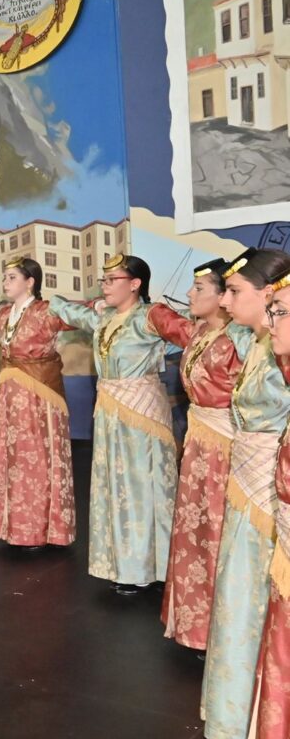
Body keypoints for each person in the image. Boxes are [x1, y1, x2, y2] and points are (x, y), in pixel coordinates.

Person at [212, 262, 290, 739]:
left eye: (234, 290)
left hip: (268, 486)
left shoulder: (274, 349)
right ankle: (238, 712)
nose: (223, 298)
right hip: (255, 478)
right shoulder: (261, 346)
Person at [47, 254, 177, 594]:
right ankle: (124, 563)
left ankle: (153, 566)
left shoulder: (151, 316)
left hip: (141, 413)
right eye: (102, 280)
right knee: (115, 486)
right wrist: (64, 302)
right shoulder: (104, 317)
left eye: (111, 280)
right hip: (109, 412)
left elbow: (196, 336)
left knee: (142, 486)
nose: (104, 286)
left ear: (135, 284)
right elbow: (68, 311)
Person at [146, 259, 241, 649]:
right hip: (200, 442)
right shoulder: (200, 331)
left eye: (199, 288)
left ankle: (227, 630)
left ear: (224, 296)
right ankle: (196, 623)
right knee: (196, 528)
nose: (189, 294)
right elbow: (167, 321)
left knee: (220, 530)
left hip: (230, 447)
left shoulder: (243, 341)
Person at [0, 257, 77, 550]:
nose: (5, 282)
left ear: (30, 281)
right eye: (5, 277)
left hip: (38, 397)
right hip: (11, 397)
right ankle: (17, 527)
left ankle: (42, 529)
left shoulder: (46, 311)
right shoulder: (4, 314)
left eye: (11, 277)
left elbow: (77, 315)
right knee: (14, 458)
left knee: (36, 457)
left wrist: (100, 307)